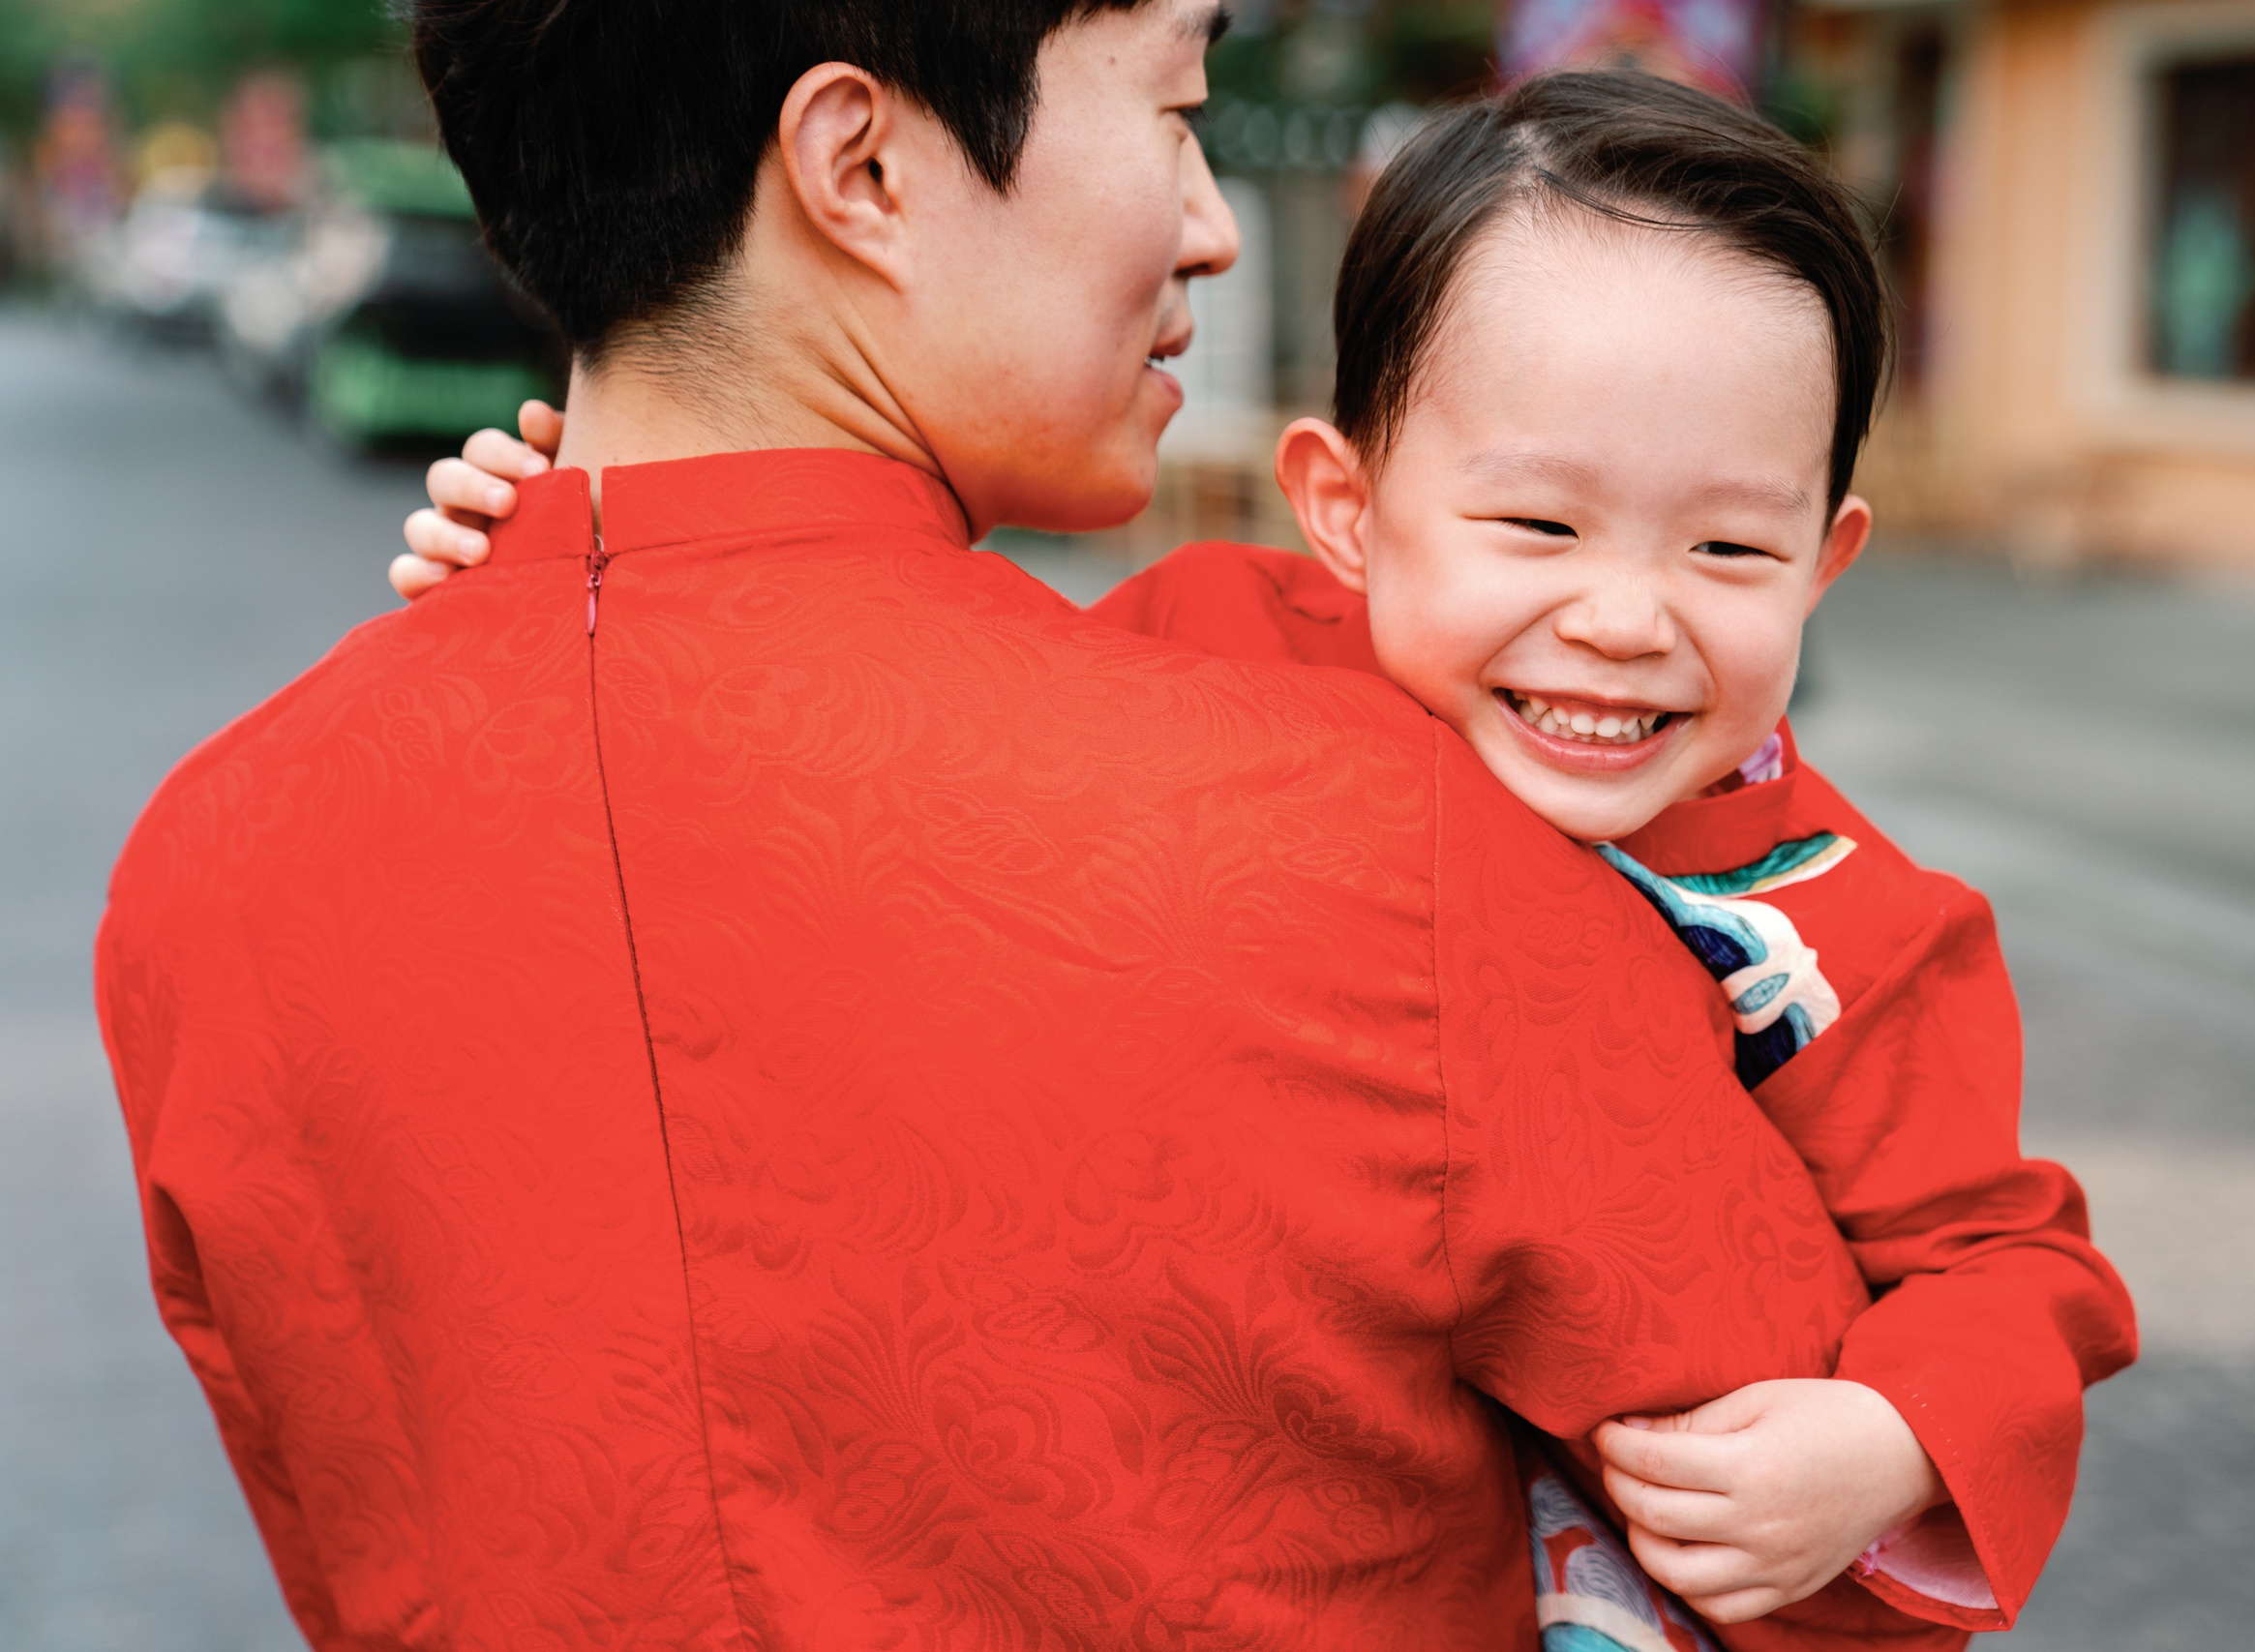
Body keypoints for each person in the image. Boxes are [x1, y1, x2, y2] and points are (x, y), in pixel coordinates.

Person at [95, 8, 1909, 1651]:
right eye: (1179, 108)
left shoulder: (209, 869)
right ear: (863, 166)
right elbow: (1824, 1572)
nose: (1209, 221)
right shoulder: (1386, 842)